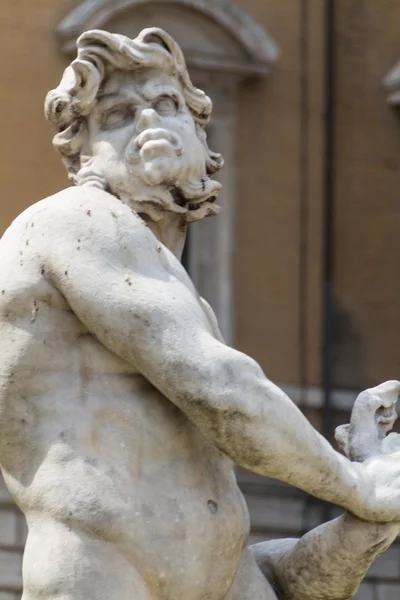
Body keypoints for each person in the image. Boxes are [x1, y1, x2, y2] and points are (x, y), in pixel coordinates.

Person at [0, 27, 399, 600]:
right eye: (116, 114)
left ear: (199, 135)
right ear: (82, 155)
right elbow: (219, 388)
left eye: (165, 104)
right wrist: (358, 485)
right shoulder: (74, 221)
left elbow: (264, 579)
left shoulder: (187, 301)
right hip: (103, 577)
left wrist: (373, 515)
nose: (145, 121)